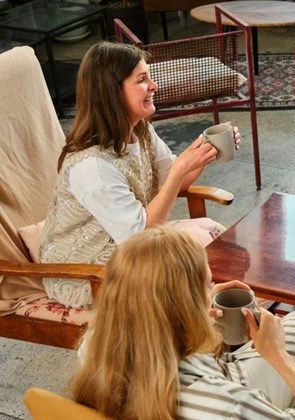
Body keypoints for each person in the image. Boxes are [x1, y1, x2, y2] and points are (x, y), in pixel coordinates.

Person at [71, 227, 295, 419]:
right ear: (180, 307)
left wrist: (196, 305)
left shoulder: (97, 347)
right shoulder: (231, 406)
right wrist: (279, 359)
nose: (211, 292)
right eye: (205, 284)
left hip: (207, 384)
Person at [38, 42, 240, 309]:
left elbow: (175, 183)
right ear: (112, 92)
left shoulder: (140, 129)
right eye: (142, 80)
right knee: (186, 276)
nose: (154, 86)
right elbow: (140, 236)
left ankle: (232, 318)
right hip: (89, 271)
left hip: (129, 244)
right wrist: (181, 168)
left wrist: (204, 153)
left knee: (218, 246)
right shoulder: (91, 166)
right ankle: (216, 330)